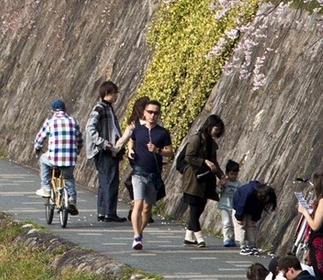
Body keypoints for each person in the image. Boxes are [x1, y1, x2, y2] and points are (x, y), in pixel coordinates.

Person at [127, 97, 171, 250]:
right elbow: (131, 141)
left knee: (147, 209)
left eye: (156, 113)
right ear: (144, 113)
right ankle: (136, 237)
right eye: (150, 112)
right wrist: (130, 150)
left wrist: (158, 150)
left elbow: (170, 151)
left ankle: (140, 232)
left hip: (153, 175)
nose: (152, 115)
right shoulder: (138, 129)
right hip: (138, 173)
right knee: (138, 205)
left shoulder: (163, 133)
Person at [178, 112, 226, 248]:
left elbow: (214, 162)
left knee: (199, 208)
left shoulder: (211, 142)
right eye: (216, 129)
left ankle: (188, 236)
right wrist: (204, 161)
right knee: (194, 208)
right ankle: (199, 238)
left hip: (205, 179)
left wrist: (221, 176)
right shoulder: (196, 139)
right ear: (209, 126)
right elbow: (189, 156)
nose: (217, 132)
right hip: (193, 179)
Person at [85, 80, 131, 223]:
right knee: (110, 181)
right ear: (107, 94)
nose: (117, 96)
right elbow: (90, 127)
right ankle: (109, 213)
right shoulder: (100, 108)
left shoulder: (107, 107)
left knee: (104, 181)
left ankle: (103, 212)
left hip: (108, 149)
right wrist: (104, 143)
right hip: (105, 151)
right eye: (114, 93)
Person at [33, 99, 82, 216]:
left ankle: (46, 187)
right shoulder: (73, 121)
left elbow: (40, 138)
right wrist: (77, 151)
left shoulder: (50, 121)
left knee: (43, 160)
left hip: (54, 158)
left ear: (52, 111)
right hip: (70, 158)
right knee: (69, 177)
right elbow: (80, 140)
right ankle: (71, 200)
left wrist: (37, 148)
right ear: (66, 110)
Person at [232, 179, 279, 255]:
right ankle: (243, 245)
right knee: (241, 225)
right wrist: (239, 217)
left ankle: (252, 244)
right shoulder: (248, 192)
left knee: (252, 225)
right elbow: (241, 205)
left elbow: (259, 208)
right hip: (239, 207)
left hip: (251, 209)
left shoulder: (261, 196)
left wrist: (255, 218)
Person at [218, 158, 244, 247]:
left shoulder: (239, 184)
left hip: (234, 206)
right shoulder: (225, 182)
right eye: (231, 174)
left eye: (235, 174)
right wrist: (220, 185)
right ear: (227, 173)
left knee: (234, 223)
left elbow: (241, 195)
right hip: (224, 205)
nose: (233, 176)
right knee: (226, 222)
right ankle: (226, 238)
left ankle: (232, 238)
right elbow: (218, 191)